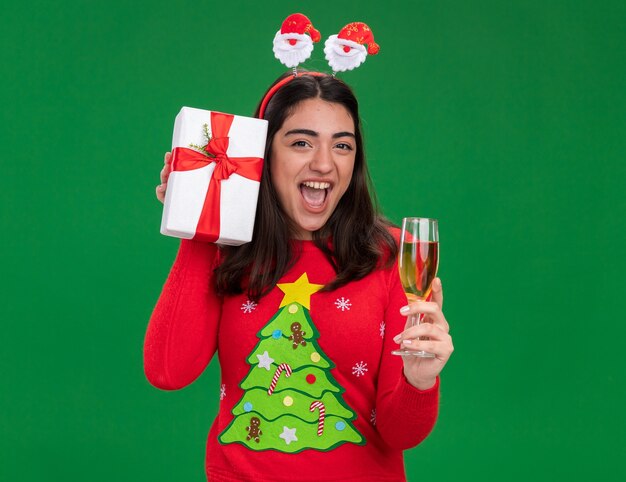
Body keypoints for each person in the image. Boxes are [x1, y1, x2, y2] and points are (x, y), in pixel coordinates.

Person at [144, 72, 454, 482]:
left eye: (342, 145)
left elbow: (401, 434)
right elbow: (168, 372)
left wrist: (419, 381)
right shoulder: (230, 249)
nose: (324, 163)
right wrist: (201, 214)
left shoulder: (394, 255)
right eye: (301, 142)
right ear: (263, 154)